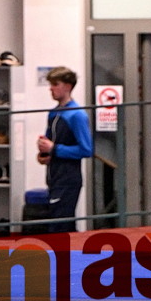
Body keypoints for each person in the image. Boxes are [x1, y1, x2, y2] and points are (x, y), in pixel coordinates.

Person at [36, 66, 94, 233]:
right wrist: (44, 154)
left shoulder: (76, 115)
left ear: (67, 86)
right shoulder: (53, 113)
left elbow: (86, 149)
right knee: (61, 225)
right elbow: (50, 144)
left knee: (60, 227)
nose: (51, 88)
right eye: (51, 84)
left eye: (55, 84)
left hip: (68, 178)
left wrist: (55, 149)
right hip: (54, 176)